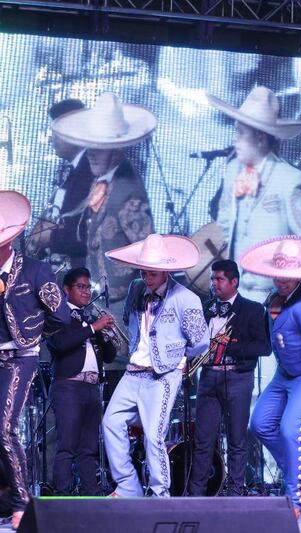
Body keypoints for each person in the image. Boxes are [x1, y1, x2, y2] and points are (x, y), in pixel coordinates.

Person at [101, 234, 209, 498]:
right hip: (133, 372)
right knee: (110, 422)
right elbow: (129, 320)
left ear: (165, 271)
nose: (147, 277)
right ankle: (128, 486)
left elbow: (201, 341)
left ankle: (161, 495)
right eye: (144, 272)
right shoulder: (136, 289)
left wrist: (178, 359)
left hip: (163, 376)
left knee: (153, 435)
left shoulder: (186, 298)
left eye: (152, 273)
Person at [242, 236, 301, 519]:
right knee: (260, 424)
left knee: (289, 430)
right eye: (277, 275)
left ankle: (294, 499)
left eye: (287, 276)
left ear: (298, 275)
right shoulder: (275, 300)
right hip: (284, 375)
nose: (281, 281)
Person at [209, 86, 301, 303]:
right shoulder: (232, 171)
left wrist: (286, 282)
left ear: (261, 138)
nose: (234, 139)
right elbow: (224, 225)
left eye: (240, 132)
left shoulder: (290, 180)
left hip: (273, 301)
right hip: (234, 297)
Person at [0, 191, 71, 528]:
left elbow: (61, 316)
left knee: (4, 428)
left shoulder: (35, 270)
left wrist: (32, 336)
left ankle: (21, 502)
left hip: (19, 358)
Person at [50, 92, 155, 307]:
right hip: (100, 296)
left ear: (117, 149)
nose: (91, 154)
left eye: (99, 148)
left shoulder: (128, 190)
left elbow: (149, 253)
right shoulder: (104, 179)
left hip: (122, 303)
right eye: (89, 146)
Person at [188, 259, 268, 496]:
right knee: (203, 440)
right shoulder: (205, 307)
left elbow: (264, 348)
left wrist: (230, 347)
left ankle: (235, 492)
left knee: (237, 439)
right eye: (212, 279)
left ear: (234, 282)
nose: (214, 283)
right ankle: (196, 495)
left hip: (238, 378)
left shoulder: (253, 309)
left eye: (219, 279)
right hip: (208, 376)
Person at [47, 267, 119, 496]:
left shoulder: (89, 318)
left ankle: (92, 497)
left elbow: (109, 357)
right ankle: (61, 497)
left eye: (88, 287)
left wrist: (106, 334)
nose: (87, 291)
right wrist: (93, 328)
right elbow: (59, 344)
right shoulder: (56, 315)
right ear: (66, 290)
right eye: (81, 287)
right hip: (68, 386)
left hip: (92, 387)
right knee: (67, 446)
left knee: (88, 449)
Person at [26, 99, 94, 267]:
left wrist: (50, 236)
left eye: (55, 132)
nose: (51, 139)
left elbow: (94, 234)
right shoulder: (76, 171)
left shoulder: (92, 171)